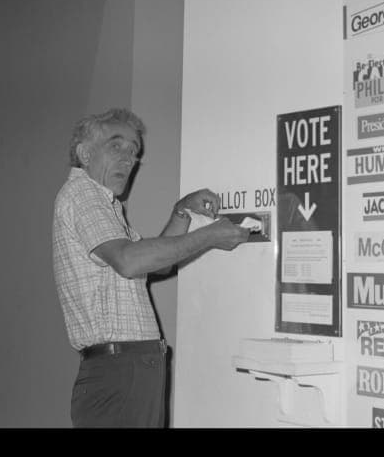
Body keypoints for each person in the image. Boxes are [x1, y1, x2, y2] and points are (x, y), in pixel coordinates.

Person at [52, 108, 250, 428]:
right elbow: (130, 261)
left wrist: (181, 212)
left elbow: (156, 265)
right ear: (84, 154)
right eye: (116, 146)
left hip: (129, 369)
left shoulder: (106, 204)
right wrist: (209, 236)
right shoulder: (82, 194)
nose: (128, 158)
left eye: (134, 151)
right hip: (118, 372)